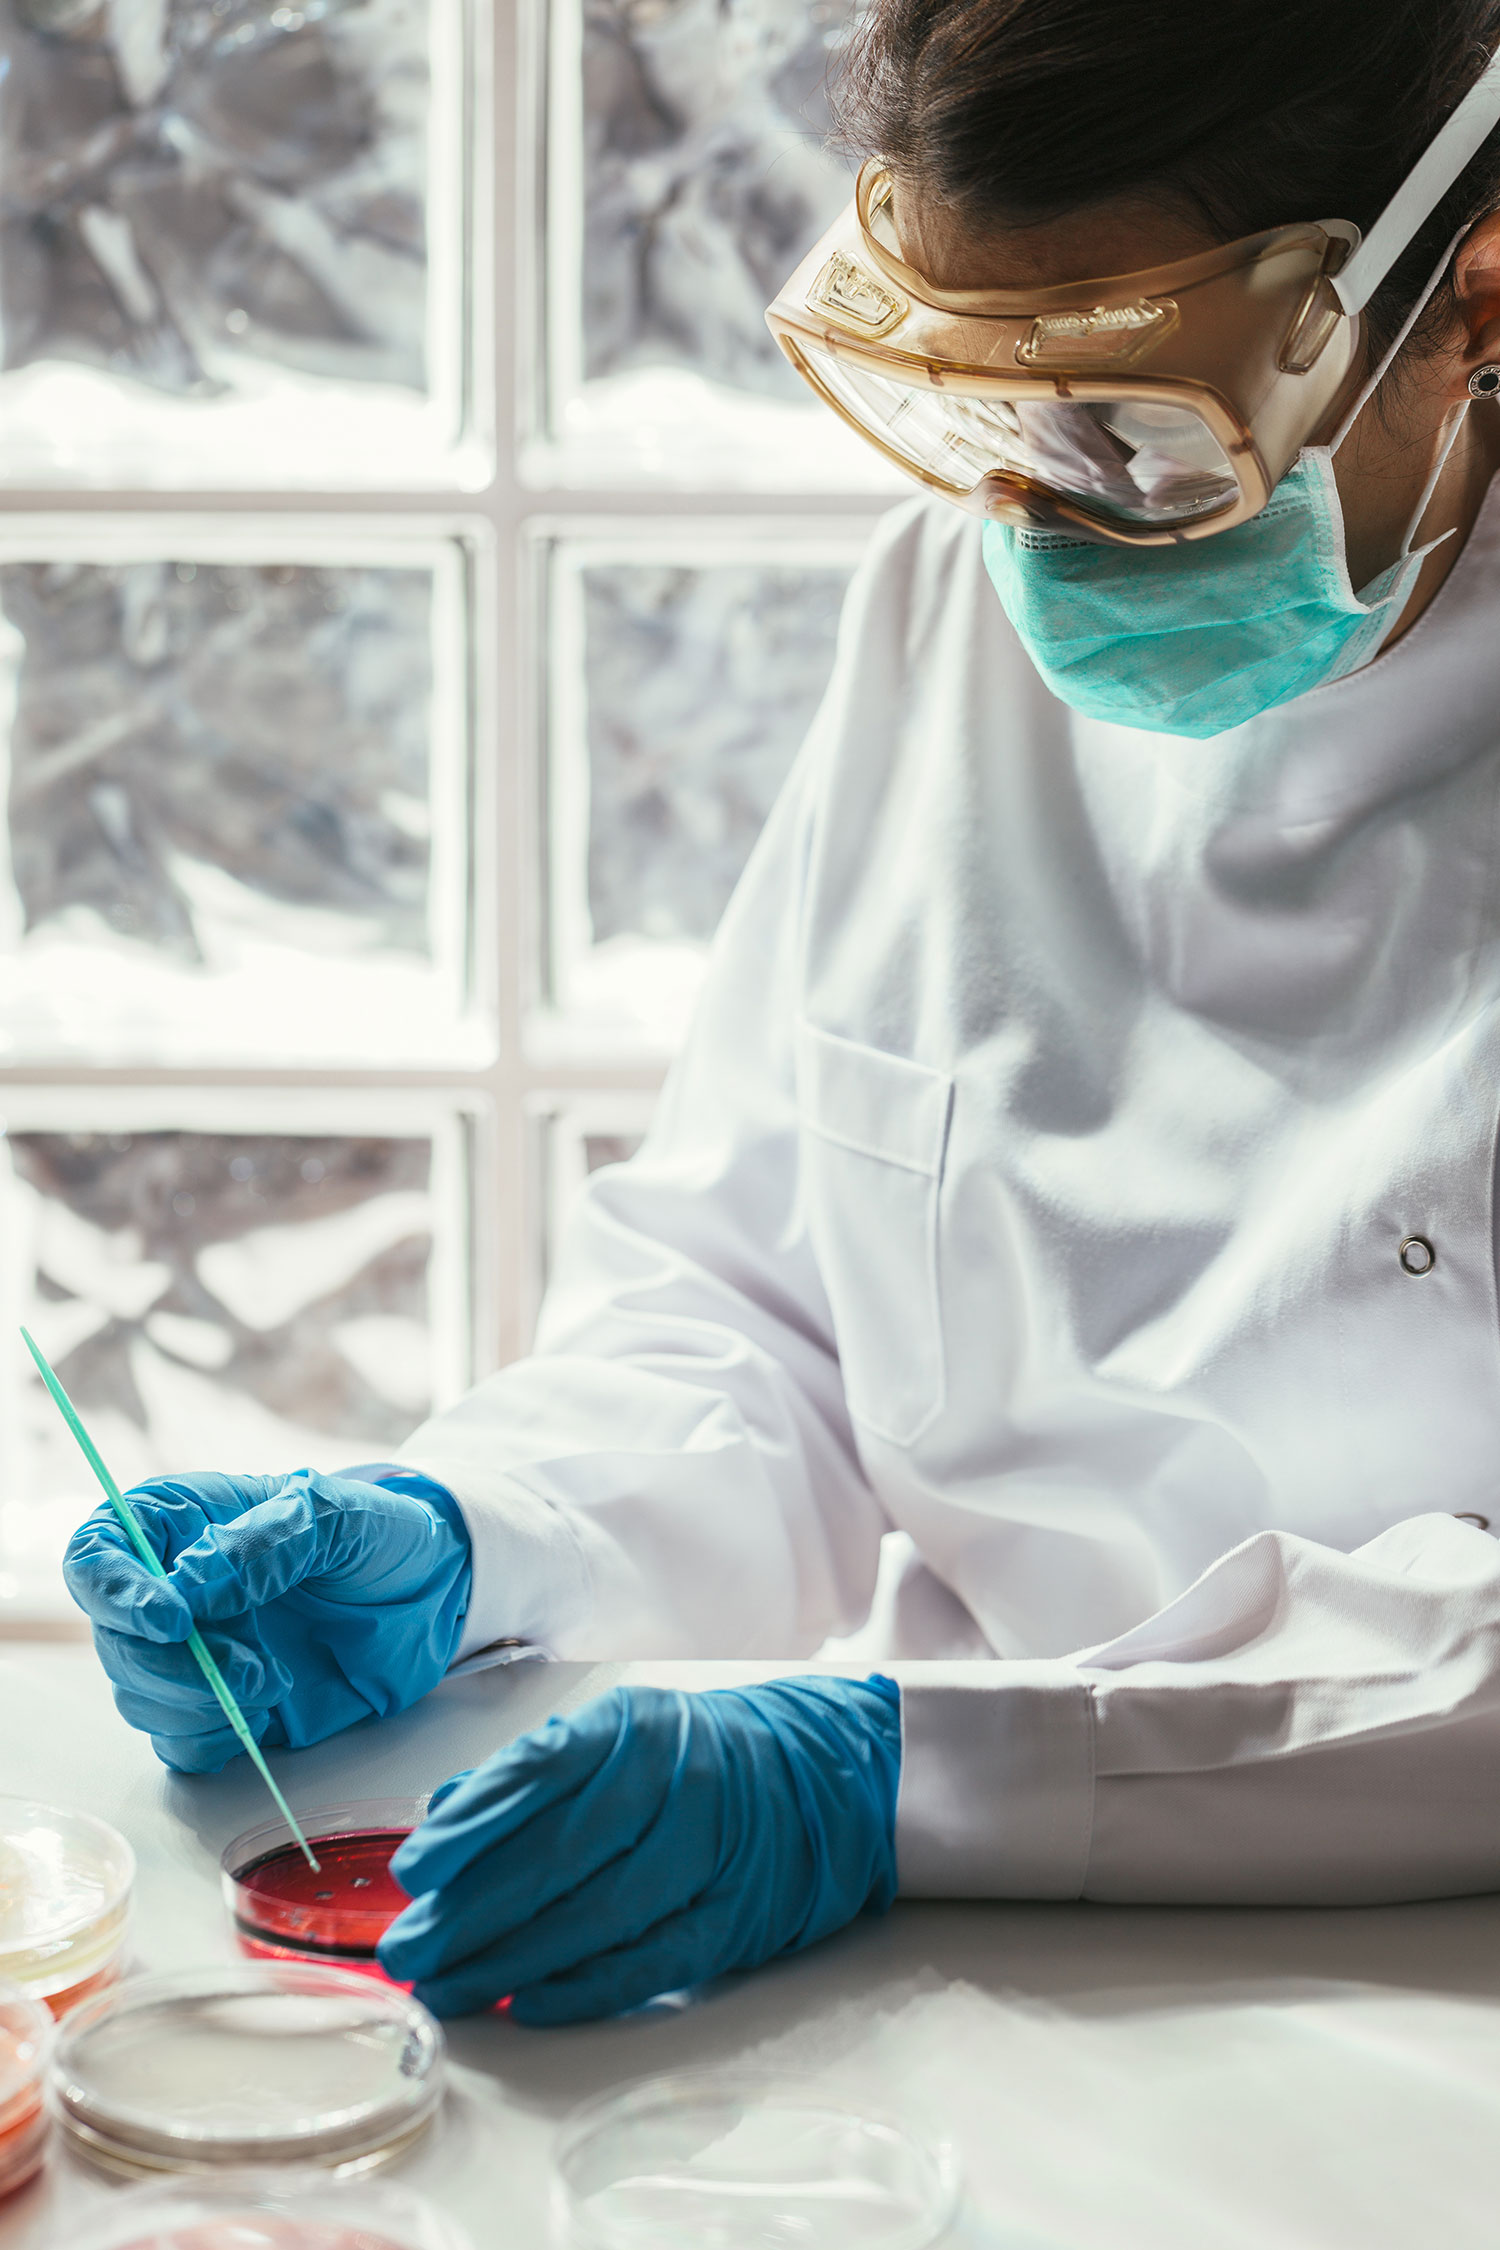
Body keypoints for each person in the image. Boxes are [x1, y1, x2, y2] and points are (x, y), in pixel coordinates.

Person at [64, 0, 1500, 2024]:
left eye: (1136, 429)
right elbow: (781, 1308)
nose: (1038, 524)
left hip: (1413, 2002)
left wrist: (913, 1775)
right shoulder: (953, 620)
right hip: (910, 1955)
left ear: (1472, 296)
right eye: (979, 416)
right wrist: (483, 1535)